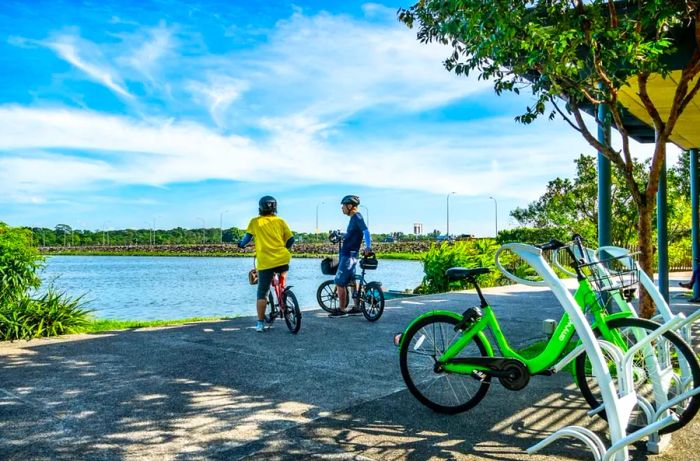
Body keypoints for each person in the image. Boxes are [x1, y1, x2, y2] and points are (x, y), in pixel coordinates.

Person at [238, 196, 294, 332]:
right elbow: (291, 239)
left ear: (260, 207)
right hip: (283, 258)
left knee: (262, 293)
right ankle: (283, 292)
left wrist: (241, 244)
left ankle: (260, 323)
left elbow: (247, 238)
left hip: (266, 262)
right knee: (281, 279)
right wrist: (284, 249)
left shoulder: (255, 222)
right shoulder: (281, 221)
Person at [329, 195, 372, 317]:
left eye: (343, 206)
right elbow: (353, 234)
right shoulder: (353, 218)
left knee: (339, 282)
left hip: (348, 255)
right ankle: (357, 307)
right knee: (352, 281)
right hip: (351, 255)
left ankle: (342, 310)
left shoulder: (357, 216)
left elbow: (366, 231)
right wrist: (343, 235)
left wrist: (368, 247)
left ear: (349, 206)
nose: (342, 208)